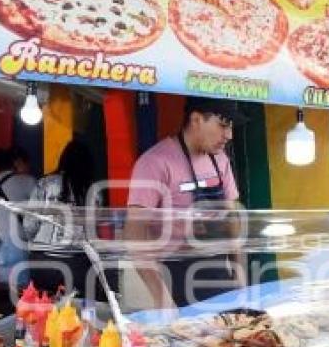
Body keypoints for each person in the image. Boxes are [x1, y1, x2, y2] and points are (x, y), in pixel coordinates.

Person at [125, 97, 245, 309]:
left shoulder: (221, 160)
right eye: (223, 125)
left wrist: (240, 277)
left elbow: (232, 218)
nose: (229, 135)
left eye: (231, 127)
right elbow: (135, 237)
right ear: (196, 119)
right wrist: (162, 300)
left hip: (219, 270)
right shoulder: (154, 163)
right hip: (174, 277)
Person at [24, 139, 100, 294]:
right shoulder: (93, 190)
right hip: (77, 262)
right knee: (76, 310)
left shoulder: (44, 184)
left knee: (44, 309)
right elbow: (93, 231)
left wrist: (35, 243)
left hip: (43, 260)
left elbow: (29, 224)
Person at [0, 146, 36, 284]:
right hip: (15, 249)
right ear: (14, 163)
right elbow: (39, 215)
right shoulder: (27, 181)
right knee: (19, 297)